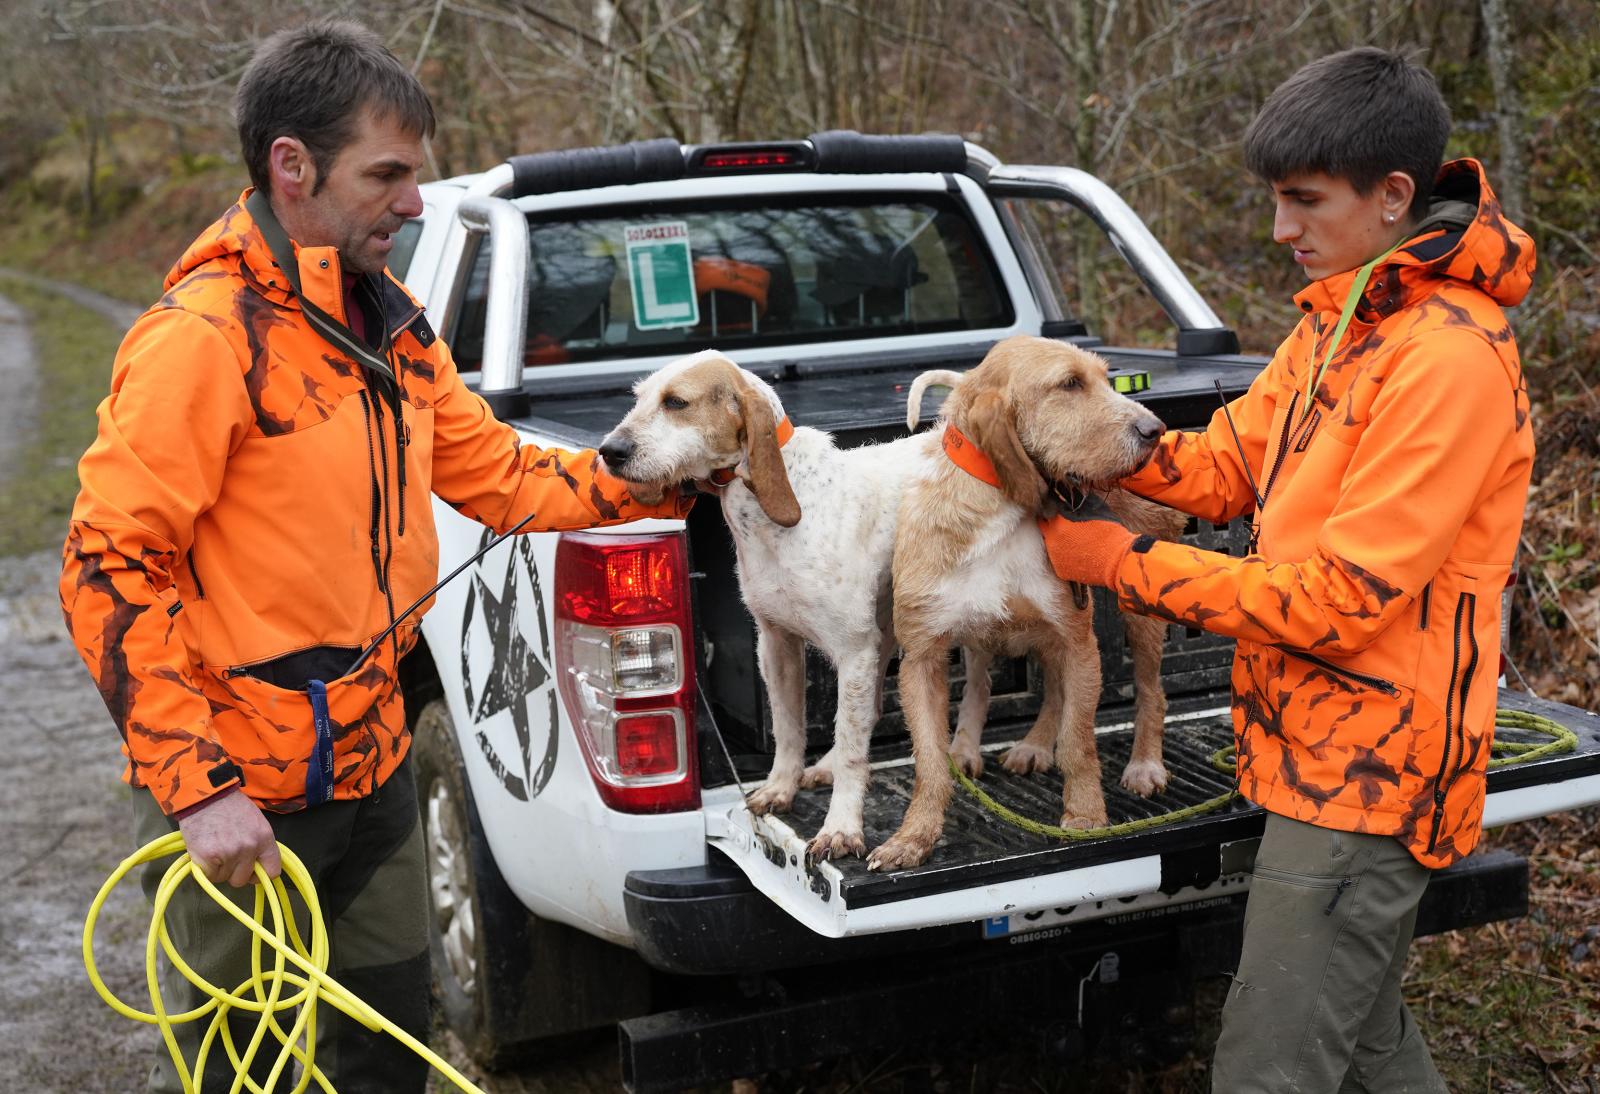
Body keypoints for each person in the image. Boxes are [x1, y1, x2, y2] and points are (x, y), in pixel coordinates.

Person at [59, 19, 688, 1092]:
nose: (414, 202)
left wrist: (657, 474)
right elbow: (108, 565)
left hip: (376, 765)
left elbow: (497, 473)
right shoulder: (202, 340)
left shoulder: (391, 326)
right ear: (290, 167)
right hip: (243, 796)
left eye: (417, 175)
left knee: (387, 1051)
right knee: (243, 1070)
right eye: (386, 175)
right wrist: (197, 789)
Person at [1037, 46, 1534, 1091]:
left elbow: (1338, 602)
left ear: (1393, 195)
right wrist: (1079, 445)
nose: (1280, 230)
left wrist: (1120, 560)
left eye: (1303, 201)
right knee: (1360, 1040)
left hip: (1368, 778)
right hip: (1308, 745)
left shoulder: (1446, 359)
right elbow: (1226, 462)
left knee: (1269, 1067)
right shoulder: (1345, 319)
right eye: (1274, 200)